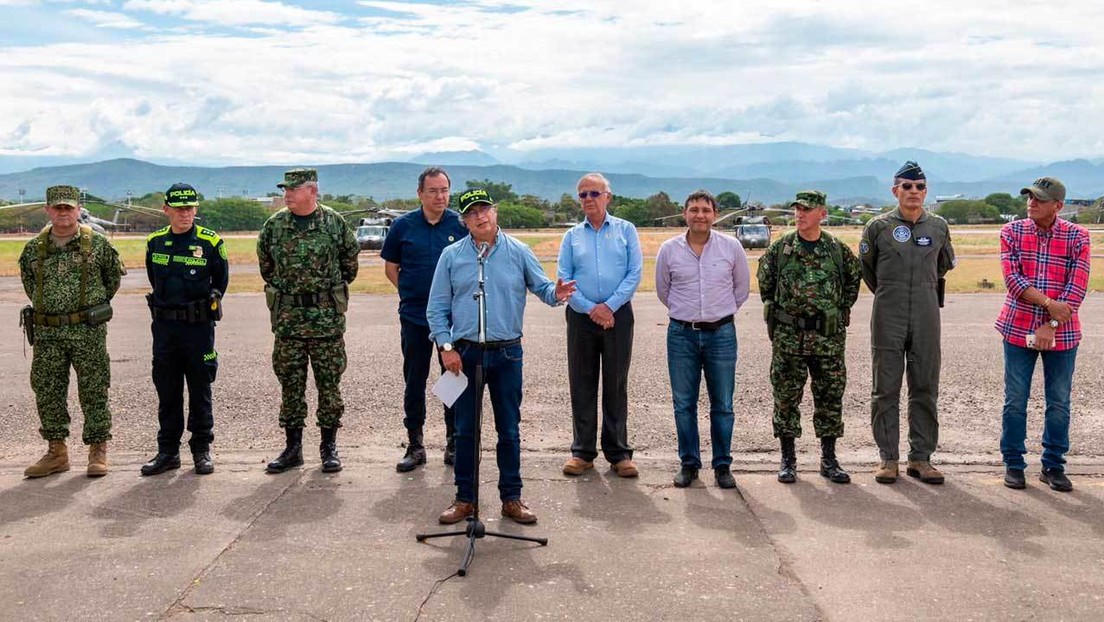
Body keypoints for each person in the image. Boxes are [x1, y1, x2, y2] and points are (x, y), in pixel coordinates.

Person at [427, 189, 575, 525]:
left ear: (495, 213)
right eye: (472, 213)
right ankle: (465, 499)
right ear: (464, 221)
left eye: (485, 210)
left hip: (507, 353)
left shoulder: (519, 252)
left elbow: (544, 289)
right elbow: (436, 308)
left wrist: (558, 293)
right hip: (463, 354)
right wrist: (446, 348)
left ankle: (512, 498)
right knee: (465, 431)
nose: (480, 217)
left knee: (508, 429)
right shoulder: (451, 256)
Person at [257, 168, 360, 474]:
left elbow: (349, 266)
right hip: (289, 322)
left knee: (329, 386)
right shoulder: (274, 226)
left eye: (294, 188)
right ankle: (293, 448)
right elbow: (266, 266)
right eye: (285, 189)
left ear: (312, 191)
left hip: (326, 321)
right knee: (290, 386)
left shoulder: (334, 223)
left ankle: (329, 447)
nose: (287, 194)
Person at [859, 161, 956, 484]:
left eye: (919, 187)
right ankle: (888, 459)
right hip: (889, 311)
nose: (913, 192)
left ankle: (921, 458)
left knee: (925, 385)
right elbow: (868, 269)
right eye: (906, 186)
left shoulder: (939, 227)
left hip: (927, 311)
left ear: (926, 191)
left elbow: (943, 266)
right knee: (885, 387)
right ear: (895, 191)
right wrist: (892, 293)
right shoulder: (878, 227)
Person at [19, 185, 125, 478]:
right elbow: (30, 285)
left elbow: (111, 281)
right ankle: (56, 452)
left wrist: (85, 310)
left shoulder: (98, 244)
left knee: (93, 388)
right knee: (47, 390)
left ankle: (98, 449)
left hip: (86, 330)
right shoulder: (34, 249)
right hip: (48, 332)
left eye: (69, 207)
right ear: (48, 210)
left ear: (78, 210)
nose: (63, 213)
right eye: (58, 208)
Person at [758, 190, 862, 484]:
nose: (800, 214)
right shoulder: (782, 249)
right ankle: (788, 460)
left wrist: (839, 310)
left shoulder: (836, 250)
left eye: (807, 209)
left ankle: (829, 460)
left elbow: (853, 282)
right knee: (786, 398)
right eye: (797, 209)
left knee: (830, 397)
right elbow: (766, 283)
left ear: (822, 214)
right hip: (789, 338)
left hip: (827, 340)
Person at [995, 177, 1091, 492]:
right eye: (1030, 197)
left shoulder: (1078, 236)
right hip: (1018, 327)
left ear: (1058, 206)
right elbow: (1014, 281)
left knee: (1059, 401)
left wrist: (1049, 325)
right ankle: (1014, 464)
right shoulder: (1011, 232)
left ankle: (1053, 465)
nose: (1031, 203)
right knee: (1015, 400)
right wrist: (1049, 305)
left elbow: (1076, 289)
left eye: (1039, 199)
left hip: (1061, 334)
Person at [655, 190, 750, 489]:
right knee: (684, 404)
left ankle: (723, 465)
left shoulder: (731, 247)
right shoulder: (669, 250)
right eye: (694, 209)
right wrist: (688, 313)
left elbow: (741, 289)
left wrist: (716, 314)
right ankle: (689, 463)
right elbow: (663, 290)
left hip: (721, 334)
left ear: (714, 214)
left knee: (723, 403)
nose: (700, 215)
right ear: (685, 213)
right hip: (681, 334)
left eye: (705, 210)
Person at [381, 167, 468, 472]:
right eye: (433, 191)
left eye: (444, 190)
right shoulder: (403, 226)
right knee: (414, 381)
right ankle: (415, 445)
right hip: (415, 318)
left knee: (452, 378)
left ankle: (454, 442)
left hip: (453, 321)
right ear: (420, 193)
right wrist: (411, 294)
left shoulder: (460, 224)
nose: (439, 196)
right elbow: (392, 268)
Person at [557, 173, 643, 478]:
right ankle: (582, 452)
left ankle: (619, 452)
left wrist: (609, 306)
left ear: (608, 196)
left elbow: (634, 274)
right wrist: (591, 309)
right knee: (582, 382)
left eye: (594, 193)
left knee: (615, 383)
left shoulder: (626, 230)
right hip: (582, 317)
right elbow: (564, 279)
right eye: (582, 195)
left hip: (617, 316)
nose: (588, 199)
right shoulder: (571, 237)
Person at [140, 183, 229, 476]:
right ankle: (167, 451)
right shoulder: (155, 243)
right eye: (179, 209)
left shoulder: (210, 242)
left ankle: (201, 449)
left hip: (198, 329)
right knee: (167, 390)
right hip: (165, 328)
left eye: (190, 208)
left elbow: (220, 282)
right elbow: (155, 280)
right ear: (166, 210)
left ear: (196, 210)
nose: (185, 214)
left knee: (200, 388)